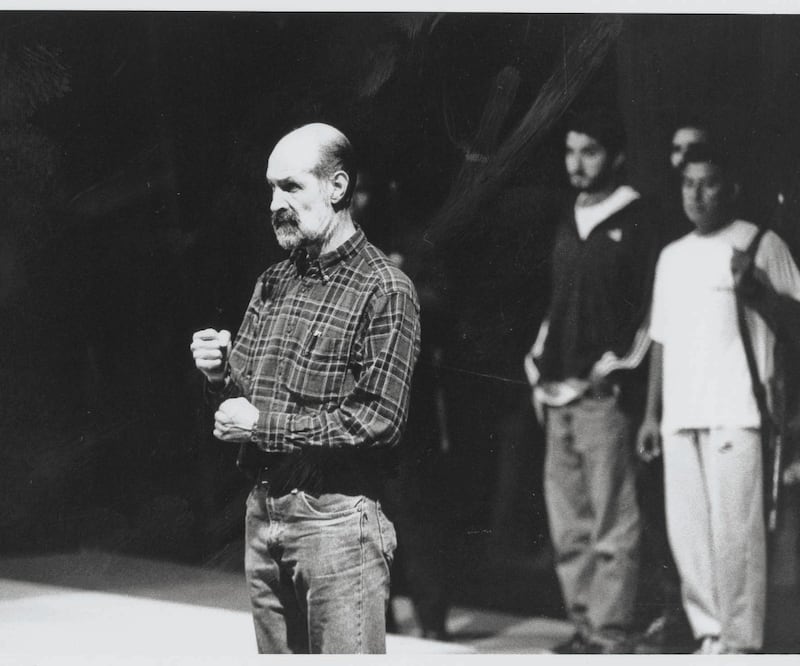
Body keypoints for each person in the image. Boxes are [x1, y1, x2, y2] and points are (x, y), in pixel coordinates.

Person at [190, 123, 421, 654]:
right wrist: (218, 375)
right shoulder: (273, 281)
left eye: (291, 188)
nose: (275, 203)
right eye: (271, 189)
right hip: (265, 512)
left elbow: (378, 421)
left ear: (337, 188)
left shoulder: (383, 288)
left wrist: (260, 424)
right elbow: (239, 406)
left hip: (337, 522)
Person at [637, 143, 800, 654]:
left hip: (738, 411)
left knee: (738, 536)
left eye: (708, 183)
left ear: (730, 187)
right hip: (680, 415)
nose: (697, 194)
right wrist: (650, 414)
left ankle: (741, 642)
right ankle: (710, 635)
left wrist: (757, 291)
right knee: (690, 537)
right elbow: (660, 339)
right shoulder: (671, 256)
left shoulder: (760, 243)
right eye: (688, 183)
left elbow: (795, 320)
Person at [524, 108, 659, 653]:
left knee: (613, 523)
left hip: (604, 397)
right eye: (570, 151)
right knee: (570, 527)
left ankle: (610, 633)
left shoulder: (637, 218)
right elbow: (555, 305)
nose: (577, 163)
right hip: (557, 392)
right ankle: (584, 628)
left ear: (615, 155)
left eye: (589, 151)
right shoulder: (566, 217)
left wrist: (621, 364)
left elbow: (654, 310)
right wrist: (536, 366)